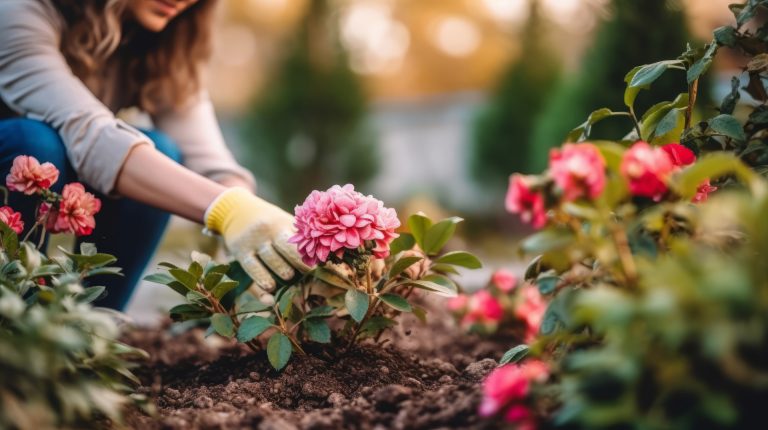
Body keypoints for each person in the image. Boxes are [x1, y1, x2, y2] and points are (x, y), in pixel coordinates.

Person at [0, 0, 308, 310]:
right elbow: (89, 134)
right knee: (34, 145)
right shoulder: (18, 11)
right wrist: (227, 210)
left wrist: (257, 219)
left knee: (162, 150)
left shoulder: (161, 38)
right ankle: (16, 324)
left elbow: (208, 159)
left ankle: (92, 329)